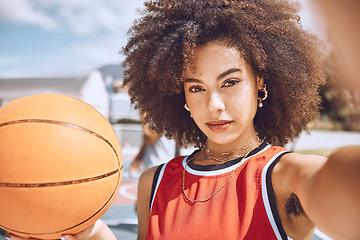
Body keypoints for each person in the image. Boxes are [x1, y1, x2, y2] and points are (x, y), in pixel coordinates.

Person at [6, 0, 360, 239]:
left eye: (231, 82)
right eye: (196, 88)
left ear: (261, 83)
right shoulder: (154, 183)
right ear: (182, 98)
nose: (214, 105)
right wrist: (95, 233)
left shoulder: (288, 176)